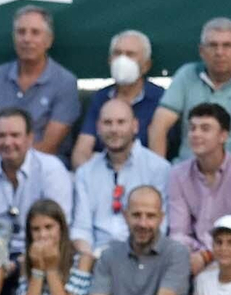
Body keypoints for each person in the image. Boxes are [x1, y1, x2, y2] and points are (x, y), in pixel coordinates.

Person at [149, 18, 231, 166]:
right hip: (188, 169)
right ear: (201, 51)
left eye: (227, 45)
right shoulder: (186, 74)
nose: (219, 52)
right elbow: (158, 126)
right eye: (212, 45)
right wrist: (158, 172)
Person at [167, 103, 231, 275]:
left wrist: (207, 255)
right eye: (192, 128)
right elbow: (178, 232)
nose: (196, 134)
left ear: (223, 136)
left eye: (205, 129)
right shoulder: (177, 175)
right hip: (192, 258)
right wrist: (192, 255)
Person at [0, 5, 80, 160]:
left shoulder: (65, 82)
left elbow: (50, 144)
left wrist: (14, 168)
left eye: (35, 33)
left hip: (46, 166)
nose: (26, 39)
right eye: (21, 32)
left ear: (49, 40)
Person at [0, 107, 73, 260]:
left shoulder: (51, 170)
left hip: (39, 254)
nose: (7, 142)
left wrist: (22, 262)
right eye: (1, 135)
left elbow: (60, 226)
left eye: (15, 135)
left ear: (30, 138)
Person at [72, 98, 171, 256]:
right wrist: (89, 256)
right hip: (95, 256)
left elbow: (161, 226)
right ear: (98, 128)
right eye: (107, 123)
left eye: (121, 122)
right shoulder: (85, 173)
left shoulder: (159, 169)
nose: (114, 129)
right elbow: (81, 228)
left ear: (135, 126)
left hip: (143, 255)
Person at [71, 30, 165, 169]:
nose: (122, 60)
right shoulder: (100, 98)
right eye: (117, 53)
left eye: (130, 54)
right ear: (109, 61)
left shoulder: (160, 99)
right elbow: (81, 153)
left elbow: (158, 162)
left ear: (146, 65)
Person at [15, 198, 92, 295]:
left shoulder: (81, 260)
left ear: (61, 228)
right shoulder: (27, 261)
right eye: (36, 229)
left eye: (49, 227)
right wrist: (37, 269)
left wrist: (51, 269)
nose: (43, 235)